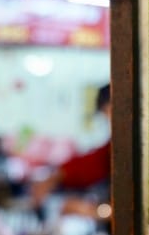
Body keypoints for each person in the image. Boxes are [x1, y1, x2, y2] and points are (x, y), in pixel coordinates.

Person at [31, 84, 113, 222]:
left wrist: (93, 211)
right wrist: (55, 176)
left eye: (108, 114)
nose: (108, 121)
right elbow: (98, 161)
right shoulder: (117, 146)